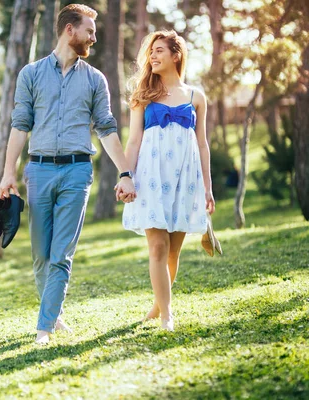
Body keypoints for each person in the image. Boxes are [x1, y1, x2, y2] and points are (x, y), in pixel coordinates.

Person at [0, 4, 136, 345]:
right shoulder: (30, 74)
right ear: (69, 30)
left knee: (61, 254)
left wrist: (125, 172)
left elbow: (106, 129)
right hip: (39, 171)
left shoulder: (95, 80)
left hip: (77, 171)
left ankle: (43, 328)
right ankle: (55, 314)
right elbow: (19, 126)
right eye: (89, 30)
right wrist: (7, 175)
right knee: (40, 254)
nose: (94, 36)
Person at [121, 30, 215, 331]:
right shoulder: (143, 94)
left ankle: (157, 305)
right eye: (151, 51)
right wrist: (126, 177)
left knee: (173, 252)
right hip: (150, 177)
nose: (153, 56)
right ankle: (167, 315)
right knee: (158, 248)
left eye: (159, 50)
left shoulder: (195, 97)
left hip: (185, 180)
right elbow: (133, 141)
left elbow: (202, 145)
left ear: (177, 55)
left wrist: (208, 188)